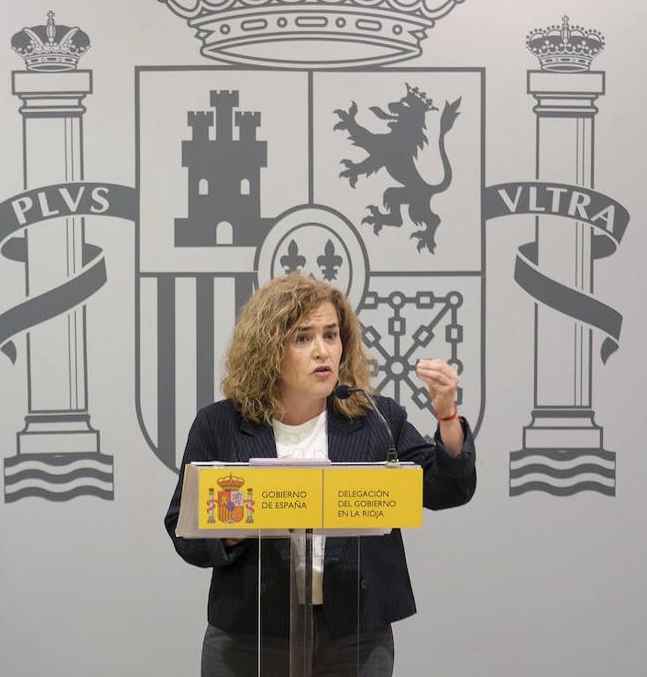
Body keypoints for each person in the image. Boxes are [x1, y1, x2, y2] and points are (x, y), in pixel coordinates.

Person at [164, 273, 476, 676]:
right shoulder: (220, 425)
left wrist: (447, 415)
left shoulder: (376, 419)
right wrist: (230, 531)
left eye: (331, 335)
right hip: (251, 636)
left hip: (354, 636)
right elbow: (182, 530)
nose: (321, 351)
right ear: (268, 349)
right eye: (303, 338)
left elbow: (449, 487)